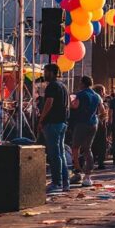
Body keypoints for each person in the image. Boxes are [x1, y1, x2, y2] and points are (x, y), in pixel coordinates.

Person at [39, 64, 70, 193]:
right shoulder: (63, 86)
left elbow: (49, 102)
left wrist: (41, 119)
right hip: (62, 122)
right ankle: (64, 182)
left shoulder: (52, 86)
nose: (44, 74)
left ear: (51, 72)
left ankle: (57, 182)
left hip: (53, 123)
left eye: (45, 72)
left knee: (54, 154)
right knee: (60, 153)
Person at [69, 76, 102, 187]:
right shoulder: (97, 95)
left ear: (83, 83)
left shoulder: (80, 94)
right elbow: (102, 110)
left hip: (81, 122)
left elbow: (74, 106)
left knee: (75, 147)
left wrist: (71, 101)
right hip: (93, 123)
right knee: (88, 148)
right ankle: (88, 176)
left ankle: (78, 170)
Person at [92, 85, 109, 170]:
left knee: (92, 144)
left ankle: (92, 161)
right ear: (101, 92)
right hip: (100, 125)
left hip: (91, 124)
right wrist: (100, 119)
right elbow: (103, 114)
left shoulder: (91, 98)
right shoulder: (100, 101)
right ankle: (100, 162)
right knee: (101, 144)